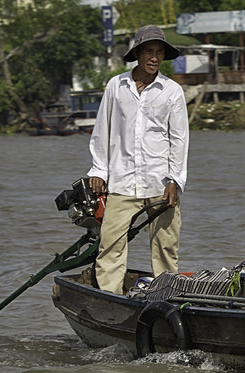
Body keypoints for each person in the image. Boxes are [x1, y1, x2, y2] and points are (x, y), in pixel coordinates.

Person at [87, 25, 189, 295]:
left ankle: (166, 296)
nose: (154, 58)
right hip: (122, 182)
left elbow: (179, 139)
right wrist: (99, 169)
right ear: (137, 54)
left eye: (159, 53)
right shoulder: (116, 86)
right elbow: (102, 130)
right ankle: (110, 298)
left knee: (165, 247)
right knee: (110, 245)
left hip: (160, 182)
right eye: (149, 52)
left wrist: (175, 180)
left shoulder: (171, 91)